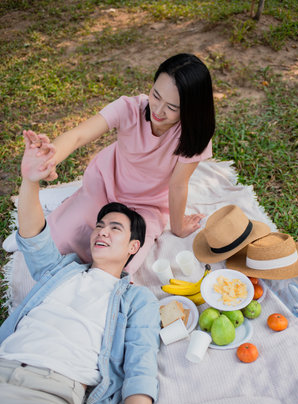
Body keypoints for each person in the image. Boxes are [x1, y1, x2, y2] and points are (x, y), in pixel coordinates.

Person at [0, 143, 161, 404]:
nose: (102, 232)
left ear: (133, 247)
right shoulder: (61, 268)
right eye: (100, 226)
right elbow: (33, 237)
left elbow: (141, 370)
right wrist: (30, 180)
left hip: (50, 398)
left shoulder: (137, 301)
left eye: (115, 228)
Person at [24, 53, 215, 273]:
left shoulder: (193, 135)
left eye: (172, 107)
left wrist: (179, 226)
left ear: (191, 109)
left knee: (124, 262)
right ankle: (64, 212)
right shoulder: (129, 108)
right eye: (156, 95)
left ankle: (74, 208)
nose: (159, 110)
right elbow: (78, 136)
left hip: (148, 205)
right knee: (64, 238)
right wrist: (50, 157)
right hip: (106, 184)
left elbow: (178, 184)